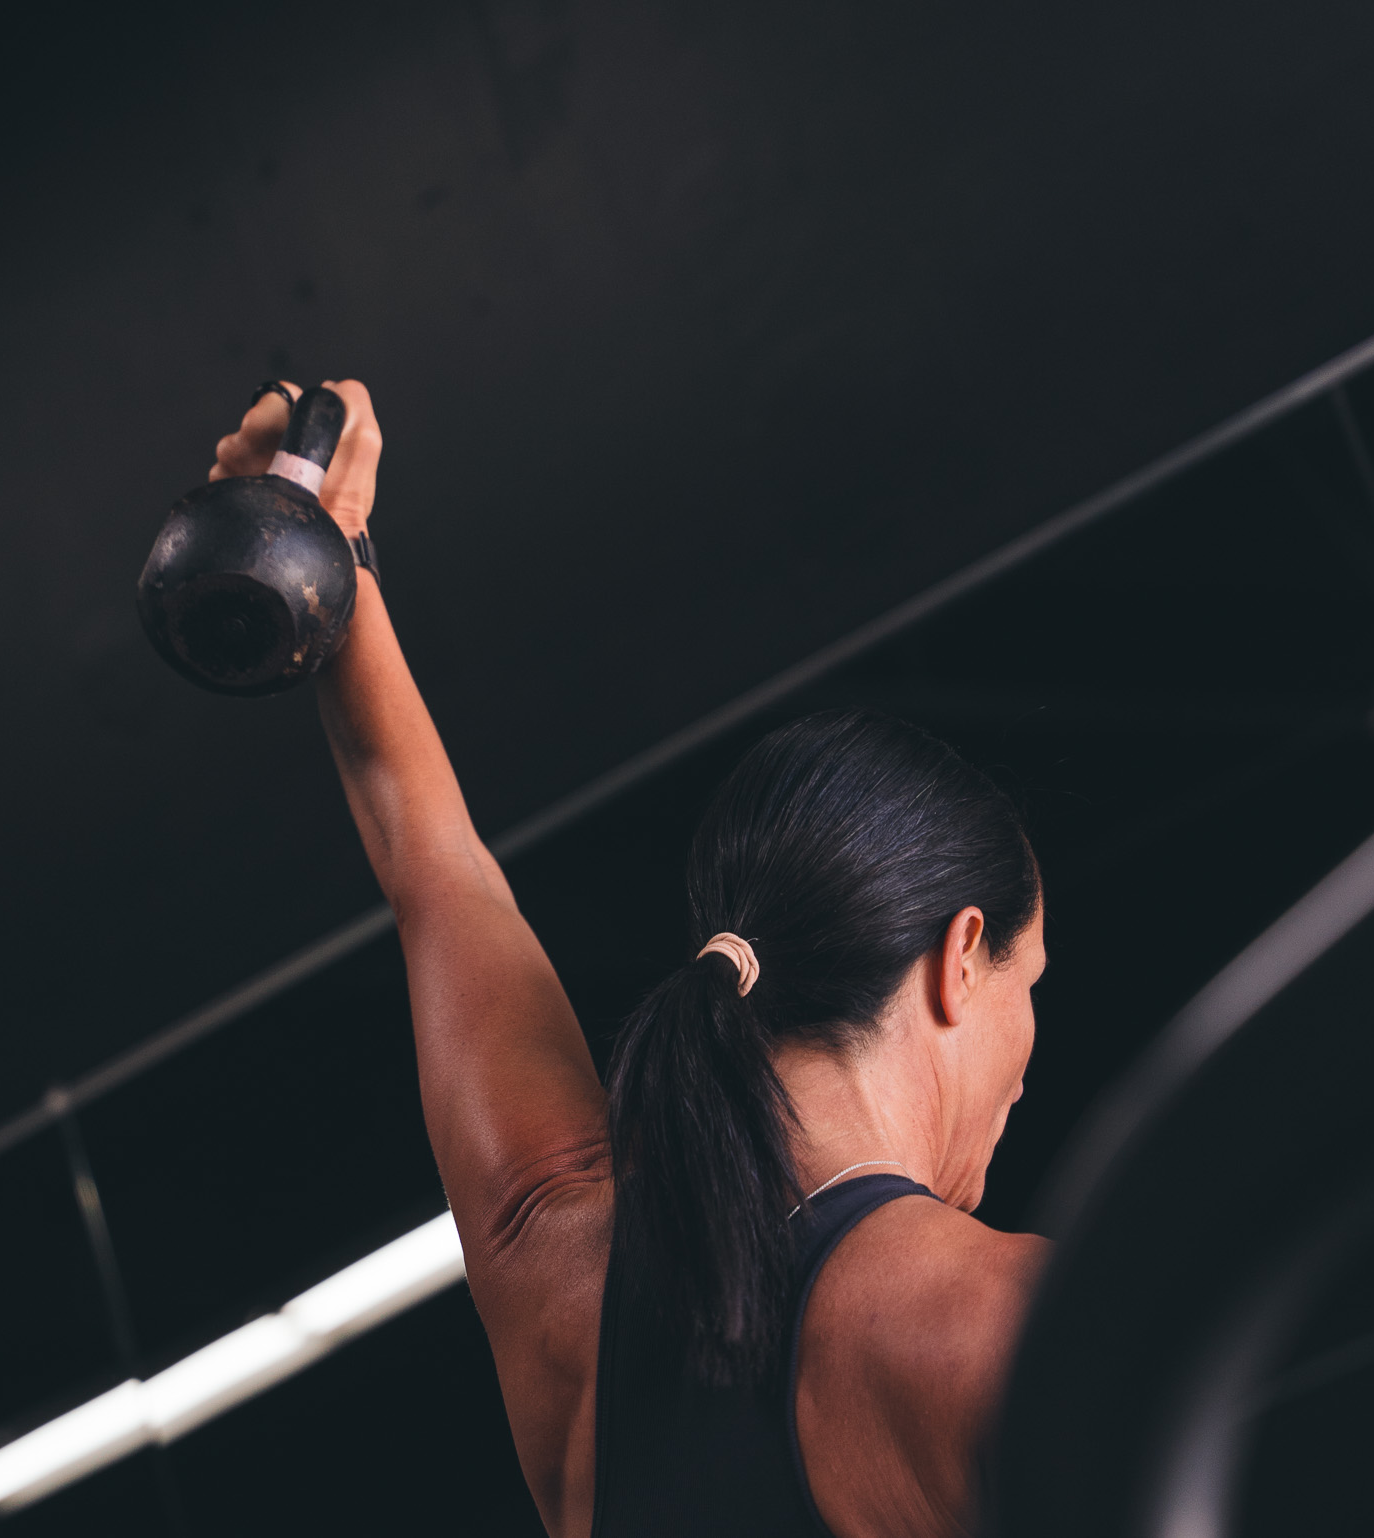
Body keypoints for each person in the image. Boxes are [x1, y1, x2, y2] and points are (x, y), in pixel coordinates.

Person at [208, 381, 1051, 1538]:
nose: (1027, 1052)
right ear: (959, 958)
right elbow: (433, 864)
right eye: (1030, 984)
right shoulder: (1009, 1318)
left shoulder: (557, 1265)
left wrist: (326, 546)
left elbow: (431, 864)